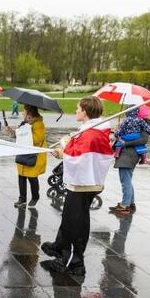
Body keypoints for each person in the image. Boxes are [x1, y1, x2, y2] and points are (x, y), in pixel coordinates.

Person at [41, 96, 113, 275]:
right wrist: (62, 152)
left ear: (86, 112)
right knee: (69, 217)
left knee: (75, 222)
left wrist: (65, 144)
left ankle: (73, 261)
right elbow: (77, 153)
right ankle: (60, 247)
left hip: (84, 185)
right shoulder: (90, 130)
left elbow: (78, 157)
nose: (75, 110)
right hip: (82, 183)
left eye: (78, 108)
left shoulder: (92, 133)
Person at [109, 108, 150, 216]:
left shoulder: (142, 124)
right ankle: (130, 203)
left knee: (125, 180)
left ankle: (125, 205)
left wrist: (124, 143)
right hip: (128, 154)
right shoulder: (139, 123)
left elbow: (143, 140)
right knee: (127, 179)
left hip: (128, 155)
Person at [6, 105, 47, 208]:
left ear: (29, 113)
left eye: (24, 112)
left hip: (34, 156)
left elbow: (36, 139)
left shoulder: (39, 124)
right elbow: (19, 136)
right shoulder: (24, 123)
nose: (22, 113)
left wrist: (27, 128)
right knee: (21, 176)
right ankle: (22, 198)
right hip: (23, 154)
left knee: (32, 178)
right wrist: (12, 131)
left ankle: (35, 196)